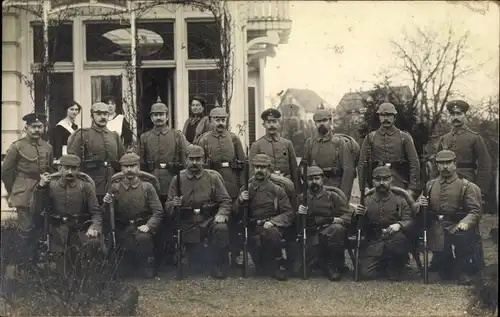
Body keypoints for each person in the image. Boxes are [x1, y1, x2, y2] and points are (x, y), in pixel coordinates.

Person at [165, 145, 232, 279]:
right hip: (188, 222)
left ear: (204, 160)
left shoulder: (212, 177)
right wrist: (174, 204)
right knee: (197, 266)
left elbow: (225, 200)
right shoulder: (177, 179)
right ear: (186, 160)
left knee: (221, 228)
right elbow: (167, 206)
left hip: (209, 220)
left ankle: (218, 263)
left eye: (198, 159)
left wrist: (222, 214)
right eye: (191, 159)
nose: (195, 162)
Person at [416, 150, 482, 285]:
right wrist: (419, 204)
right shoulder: (430, 185)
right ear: (437, 166)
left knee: (464, 238)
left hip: (457, 225)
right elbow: (416, 207)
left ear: (455, 164)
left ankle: (464, 271)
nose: (445, 166)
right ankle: (447, 265)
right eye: (441, 163)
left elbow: (475, 210)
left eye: (448, 163)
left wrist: (465, 222)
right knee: (445, 273)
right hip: (438, 228)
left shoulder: (466, 186)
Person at [30, 154, 102, 274]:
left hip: (79, 229)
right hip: (57, 230)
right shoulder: (50, 185)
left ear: (78, 170)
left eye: (73, 168)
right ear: (60, 168)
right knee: (63, 273)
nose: (70, 172)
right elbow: (36, 209)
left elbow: (96, 212)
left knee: (83, 265)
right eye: (66, 168)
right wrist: (41, 187)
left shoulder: (86, 187)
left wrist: (94, 227)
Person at [1, 113, 53, 267]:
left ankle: (36, 262)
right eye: (34, 127)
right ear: (26, 128)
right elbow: (6, 172)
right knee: (25, 229)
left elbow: (49, 168)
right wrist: (13, 192)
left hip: (42, 191)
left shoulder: (47, 147)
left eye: (40, 127)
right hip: (24, 192)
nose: (37, 130)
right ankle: (19, 264)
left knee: (39, 227)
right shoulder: (17, 146)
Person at [234, 154, 295, 281]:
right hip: (252, 228)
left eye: (263, 167)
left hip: (271, 228)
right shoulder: (246, 188)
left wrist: (274, 222)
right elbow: (234, 212)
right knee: (260, 267)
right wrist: (240, 200)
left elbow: (289, 213)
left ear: (269, 170)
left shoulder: (277, 190)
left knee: (272, 234)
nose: (260, 170)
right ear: (253, 169)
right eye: (257, 167)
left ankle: (276, 264)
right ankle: (264, 264)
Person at [102, 152, 164, 278]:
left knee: (143, 239)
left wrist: (149, 226)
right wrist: (106, 204)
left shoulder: (147, 187)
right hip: (122, 227)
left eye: (132, 166)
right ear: (121, 169)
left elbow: (158, 211)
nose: (129, 169)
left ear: (138, 168)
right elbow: (106, 214)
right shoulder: (115, 187)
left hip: (141, 226)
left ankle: (144, 265)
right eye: (126, 166)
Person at [354, 166, 414, 281]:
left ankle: (395, 265)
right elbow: (358, 225)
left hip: (394, 239)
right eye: (378, 180)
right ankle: (382, 263)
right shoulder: (366, 200)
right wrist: (357, 215)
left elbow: (409, 220)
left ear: (391, 180)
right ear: (373, 181)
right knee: (366, 274)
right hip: (374, 240)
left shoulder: (399, 200)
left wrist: (399, 225)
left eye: (385, 179)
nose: (382, 183)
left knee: (399, 239)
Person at [295, 166, 352, 281]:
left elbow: (348, 214)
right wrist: (299, 214)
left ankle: (332, 265)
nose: (314, 182)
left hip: (329, 233)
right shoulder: (301, 198)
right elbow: (295, 223)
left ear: (322, 179)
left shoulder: (332, 196)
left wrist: (339, 220)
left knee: (337, 229)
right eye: (310, 179)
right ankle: (319, 262)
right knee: (298, 270)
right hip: (311, 235)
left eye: (317, 178)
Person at [357, 102, 420, 199]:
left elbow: (414, 163)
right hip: (377, 184)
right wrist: (364, 187)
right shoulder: (370, 138)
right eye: (382, 115)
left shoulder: (404, 137)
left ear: (394, 117)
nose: (385, 118)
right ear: (379, 117)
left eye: (389, 115)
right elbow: (361, 164)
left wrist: (412, 188)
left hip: (399, 183)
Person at [435, 100, 492, 205]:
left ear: (465, 115)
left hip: (467, 182)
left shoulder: (475, 138)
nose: (455, 117)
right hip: (445, 183)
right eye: (452, 114)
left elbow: (485, 165)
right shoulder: (444, 138)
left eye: (459, 114)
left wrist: (480, 190)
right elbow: (436, 163)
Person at [67, 102, 126, 201]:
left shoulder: (114, 136)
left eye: (105, 114)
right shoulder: (83, 135)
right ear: (92, 116)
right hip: (90, 183)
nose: (103, 117)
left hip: (112, 183)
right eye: (99, 114)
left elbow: (122, 160)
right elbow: (73, 160)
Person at [138, 101, 188, 202]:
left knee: (171, 209)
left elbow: (184, 161)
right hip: (151, 180)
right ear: (151, 118)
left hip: (172, 179)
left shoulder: (177, 135)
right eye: (155, 115)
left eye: (161, 114)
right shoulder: (145, 137)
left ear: (167, 117)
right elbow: (140, 163)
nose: (158, 118)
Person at [303, 109, 357, 199]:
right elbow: (304, 166)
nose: (321, 124)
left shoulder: (339, 143)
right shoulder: (310, 143)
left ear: (330, 121)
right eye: (318, 121)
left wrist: (343, 196)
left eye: (324, 120)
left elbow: (348, 170)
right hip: (315, 189)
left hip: (335, 188)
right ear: (315, 123)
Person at [194, 107, 246, 200]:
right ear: (210, 121)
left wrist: (242, 185)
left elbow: (243, 164)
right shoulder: (203, 140)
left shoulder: (234, 139)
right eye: (217, 120)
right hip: (211, 181)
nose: (221, 123)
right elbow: (198, 165)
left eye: (223, 120)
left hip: (232, 181)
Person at [249, 108, 300, 191]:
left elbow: (294, 169)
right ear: (264, 124)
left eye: (274, 121)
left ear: (279, 123)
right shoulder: (257, 145)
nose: (271, 125)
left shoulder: (287, 144)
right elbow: (252, 171)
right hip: (265, 188)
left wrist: (297, 190)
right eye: (268, 122)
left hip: (286, 186)